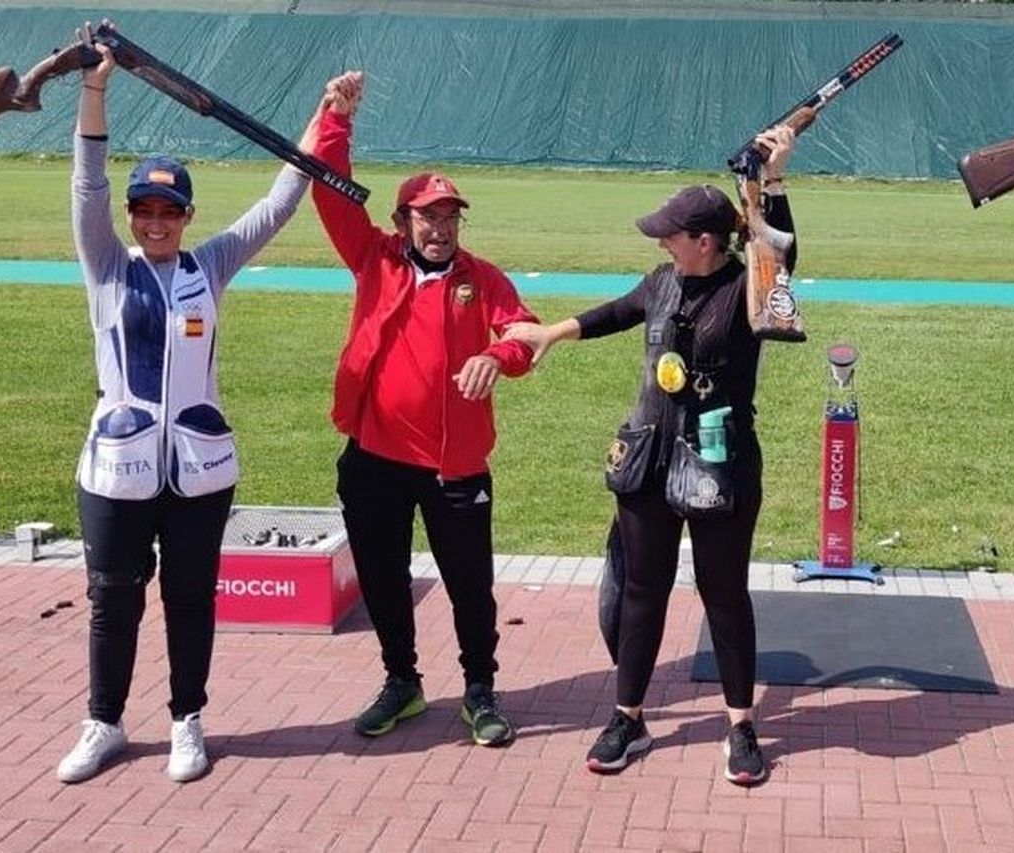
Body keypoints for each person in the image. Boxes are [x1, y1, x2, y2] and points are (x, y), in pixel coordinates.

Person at [504, 126, 799, 786]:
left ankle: (740, 725)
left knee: (725, 596)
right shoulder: (663, 279)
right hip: (648, 463)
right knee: (642, 592)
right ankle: (629, 716)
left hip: (720, 468)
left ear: (706, 241)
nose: (660, 240)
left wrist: (771, 182)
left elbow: (780, 256)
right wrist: (553, 331)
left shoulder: (748, 287)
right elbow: (618, 311)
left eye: (671, 233)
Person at [56, 20, 309, 783]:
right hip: (119, 469)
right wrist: (95, 89)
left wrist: (326, 119)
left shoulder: (213, 263)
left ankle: (186, 721)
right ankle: (103, 721)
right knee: (112, 600)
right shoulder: (104, 261)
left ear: (187, 217)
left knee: (191, 598)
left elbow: (280, 199)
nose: (155, 222)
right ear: (132, 215)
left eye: (169, 212)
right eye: (145, 211)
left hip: (198, 471)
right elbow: (87, 181)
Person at [308, 72, 537, 746]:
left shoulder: (483, 278)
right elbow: (329, 189)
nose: (440, 227)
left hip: (455, 468)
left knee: (472, 587)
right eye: (427, 216)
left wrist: (497, 358)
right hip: (376, 460)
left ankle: (480, 689)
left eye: (450, 216)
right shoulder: (374, 259)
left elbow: (522, 332)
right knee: (382, 577)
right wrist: (336, 121)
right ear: (402, 221)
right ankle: (401, 680)